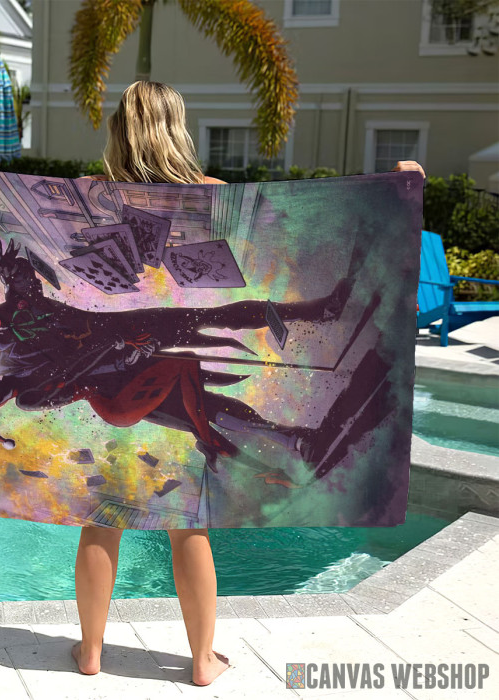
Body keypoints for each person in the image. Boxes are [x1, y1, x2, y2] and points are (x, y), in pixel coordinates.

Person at [71, 81, 425, 687]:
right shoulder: (214, 195)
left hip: (116, 380)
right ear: (177, 127)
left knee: (102, 518)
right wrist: (396, 187)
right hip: (181, 371)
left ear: (117, 130)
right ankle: (201, 660)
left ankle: (92, 653)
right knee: (189, 526)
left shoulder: (90, 196)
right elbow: (310, 214)